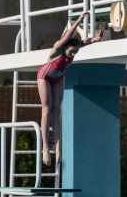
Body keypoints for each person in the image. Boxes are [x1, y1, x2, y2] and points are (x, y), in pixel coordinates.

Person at [37, 11, 104, 166]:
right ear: (65, 47)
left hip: (59, 77)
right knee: (46, 110)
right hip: (44, 77)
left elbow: (84, 42)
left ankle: (57, 145)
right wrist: (79, 21)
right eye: (72, 51)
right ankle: (46, 148)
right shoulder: (57, 49)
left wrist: (96, 39)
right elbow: (67, 38)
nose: (74, 53)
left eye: (76, 51)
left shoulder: (74, 47)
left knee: (57, 110)